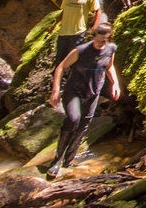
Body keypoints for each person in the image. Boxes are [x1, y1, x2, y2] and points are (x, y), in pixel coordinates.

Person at [46, 22, 121, 178]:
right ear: (93, 37)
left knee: (83, 125)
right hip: (74, 91)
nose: (102, 44)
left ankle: (69, 160)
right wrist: (55, 91)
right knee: (74, 119)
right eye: (99, 40)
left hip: (93, 93)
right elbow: (60, 67)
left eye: (105, 40)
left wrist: (115, 84)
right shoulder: (80, 51)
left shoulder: (111, 49)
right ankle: (57, 160)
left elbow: (109, 67)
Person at [54, 0, 103, 68]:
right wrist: (54, 24)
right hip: (63, 32)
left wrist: (95, 27)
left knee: (73, 58)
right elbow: (63, 11)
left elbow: (98, 10)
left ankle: (70, 80)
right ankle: (57, 80)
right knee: (59, 58)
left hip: (78, 32)